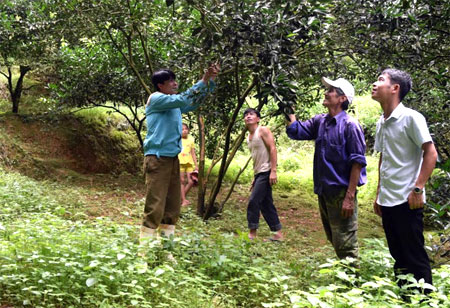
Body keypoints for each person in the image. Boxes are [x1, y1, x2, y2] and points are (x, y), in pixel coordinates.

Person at [286, 77, 367, 261]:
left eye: (331, 90)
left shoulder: (350, 126)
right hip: (324, 192)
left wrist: (349, 196)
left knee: (345, 243)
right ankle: (343, 281)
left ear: (342, 98)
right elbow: (296, 131)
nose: (326, 92)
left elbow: (357, 162)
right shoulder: (320, 122)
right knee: (333, 238)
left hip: (341, 193)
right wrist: (288, 110)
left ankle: (352, 285)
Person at [372, 68, 437, 290]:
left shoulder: (411, 117)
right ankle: (406, 298)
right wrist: (379, 193)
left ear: (395, 88)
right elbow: (384, 158)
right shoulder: (382, 120)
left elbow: (431, 153)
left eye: (380, 80)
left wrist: (418, 188)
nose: (374, 84)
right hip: (388, 199)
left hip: (408, 199)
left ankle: (426, 300)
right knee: (398, 255)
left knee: (414, 256)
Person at [140, 64, 219, 245]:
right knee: (155, 206)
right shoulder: (156, 99)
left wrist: (211, 80)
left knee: (173, 206)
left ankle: (166, 248)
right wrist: (204, 79)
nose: (175, 84)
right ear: (160, 85)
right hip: (157, 159)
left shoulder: (174, 104)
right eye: (171, 81)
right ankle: (145, 251)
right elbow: (184, 98)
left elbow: (193, 102)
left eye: (175, 81)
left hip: (172, 159)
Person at [244, 108, 283, 241]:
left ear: (258, 119)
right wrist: (255, 178)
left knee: (254, 201)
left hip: (266, 171)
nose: (248, 116)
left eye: (251, 114)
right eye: (246, 115)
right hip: (259, 173)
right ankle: (278, 234)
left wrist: (273, 170)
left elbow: (272, 148)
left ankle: (252, 233)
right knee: (266, 204)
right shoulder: (248, 137)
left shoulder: (262, 130)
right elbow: (256, 157)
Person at [179, 123, 198, 206]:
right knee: (182, 181)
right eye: (182, 129)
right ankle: (183, 200)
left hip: (189, 163)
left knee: (191, 182)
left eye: (186, 129)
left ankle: (181, 198)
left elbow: (193, 153)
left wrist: (196, 164)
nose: (184, 131)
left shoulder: (191, 139)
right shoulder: (178, 139)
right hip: (180, 162)